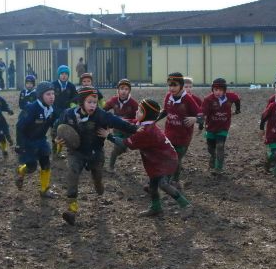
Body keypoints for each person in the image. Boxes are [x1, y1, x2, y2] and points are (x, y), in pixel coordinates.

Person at [55, 86, 138, 226]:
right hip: (76, 152)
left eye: (95, 102)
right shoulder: (68, 114)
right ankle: (72, 209)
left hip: (96, 152)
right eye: (89, 102)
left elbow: (121, 124)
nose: (93, 105)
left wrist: (136, 129)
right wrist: (56, 139)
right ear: (81, 102)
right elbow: (57, 127)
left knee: (97, 176)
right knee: (72, 173)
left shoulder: (102, 115)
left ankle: (98, 184)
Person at [98, 98, 192, 218]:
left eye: (140, 111)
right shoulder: (143, 124)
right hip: (157, 161)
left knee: (163, 184)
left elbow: (125, 143)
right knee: (152, 186)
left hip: (167, 160)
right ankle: (156, 207)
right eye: (137, 109)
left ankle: (186, 205)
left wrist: (108, 136)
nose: (137, 112)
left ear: (147, 115)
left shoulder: (146, 132)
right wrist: (114, 121)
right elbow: (129, 122)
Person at [156, 72, 202, 190]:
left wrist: (195, 119)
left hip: (183, 137)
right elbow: (165, 111)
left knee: (176, 158)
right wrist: (153, 120)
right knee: (168, 157)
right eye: (169, 85)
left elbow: (202, 116)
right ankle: (167, 181)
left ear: (181, 85)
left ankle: (174, 181)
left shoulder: (188, 99)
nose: (171, 88)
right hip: (169, 134)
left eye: (174, 85)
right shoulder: (168, 96)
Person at [15, 81, 57, 197]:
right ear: (40, 95)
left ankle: (44, 189)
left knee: (46, 163)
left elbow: (53, 123)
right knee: (31, 168)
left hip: (41, 140)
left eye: (53, 93)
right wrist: (19, 144)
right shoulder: (31, 108)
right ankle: (21, 170)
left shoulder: (51, 109)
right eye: (48, 94)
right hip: (28, 142)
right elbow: (19, 126)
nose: (51, 97)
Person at [199, 78, 241, 174]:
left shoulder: (231, 97)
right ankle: (213, 157)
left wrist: (238, 110)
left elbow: (237, 99)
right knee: (211, 148)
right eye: (215, 90)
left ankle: (219, 168)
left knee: (220, 146)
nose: (218, 92)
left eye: (220, 90)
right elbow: (202, 113)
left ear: (225, 90)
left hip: (223, 127)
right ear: (212, 89)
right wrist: (200, 125)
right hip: (210, 127)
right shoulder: (208, 99)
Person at [103, 78, 138, 170]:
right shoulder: (113, 100)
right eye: (121, 88)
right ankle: (110, 166)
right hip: (117, 129)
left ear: (129, 91)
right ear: (118, 90)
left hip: (128, 130)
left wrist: (130, 121)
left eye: (126, 89)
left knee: (124, 147)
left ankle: (123, 148)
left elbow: (138, 117)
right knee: (117, 148)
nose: (123, 91)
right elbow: (104, 109)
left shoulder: (133, 103)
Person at [51, 65, 77, 156]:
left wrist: (72, 105)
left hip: (66, 112)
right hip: (55, 111)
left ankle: (60, 150)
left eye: (66, 74)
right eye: (62, 73)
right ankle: (54, 149)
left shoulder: (71, 86)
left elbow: (75, 97)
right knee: (54, 130)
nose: (64, 75)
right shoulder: (53, 85)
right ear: (59, 75)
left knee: (63, 131)